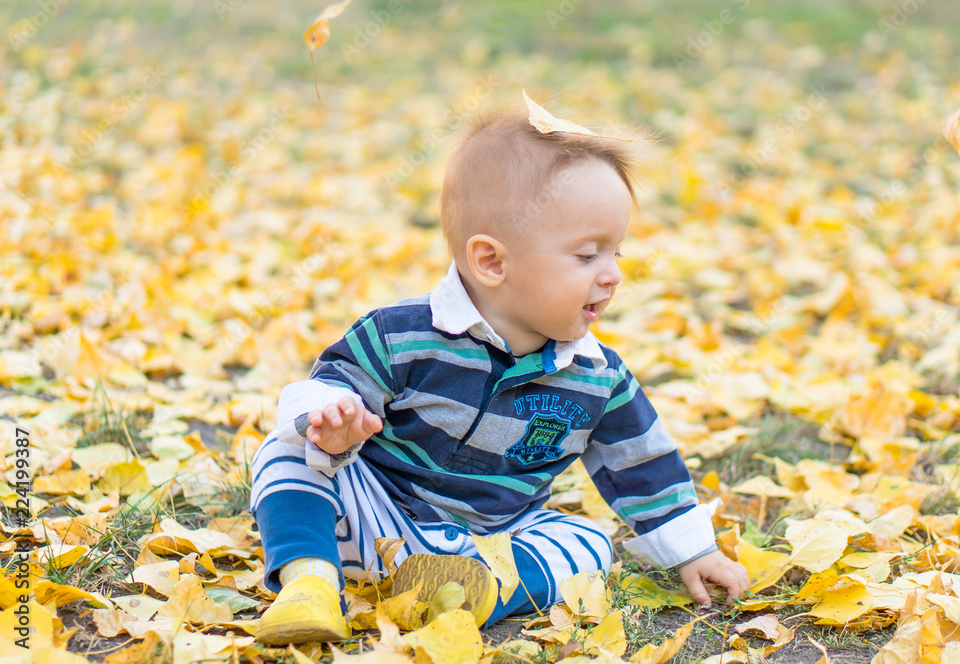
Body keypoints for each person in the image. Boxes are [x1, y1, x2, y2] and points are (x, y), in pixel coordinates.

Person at [250, 104, 750, 645]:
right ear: (491, 261)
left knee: (588, 543)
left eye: (616, 252)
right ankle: (311, 580)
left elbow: (643, 465)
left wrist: (693, 550)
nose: (614, 275)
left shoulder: (597, 377)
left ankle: (475, 592)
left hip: (493, 543)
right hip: (370, 521)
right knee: (286, 454)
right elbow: (332, 384)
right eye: (587, 255)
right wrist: (331, 419)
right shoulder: (402, 335)